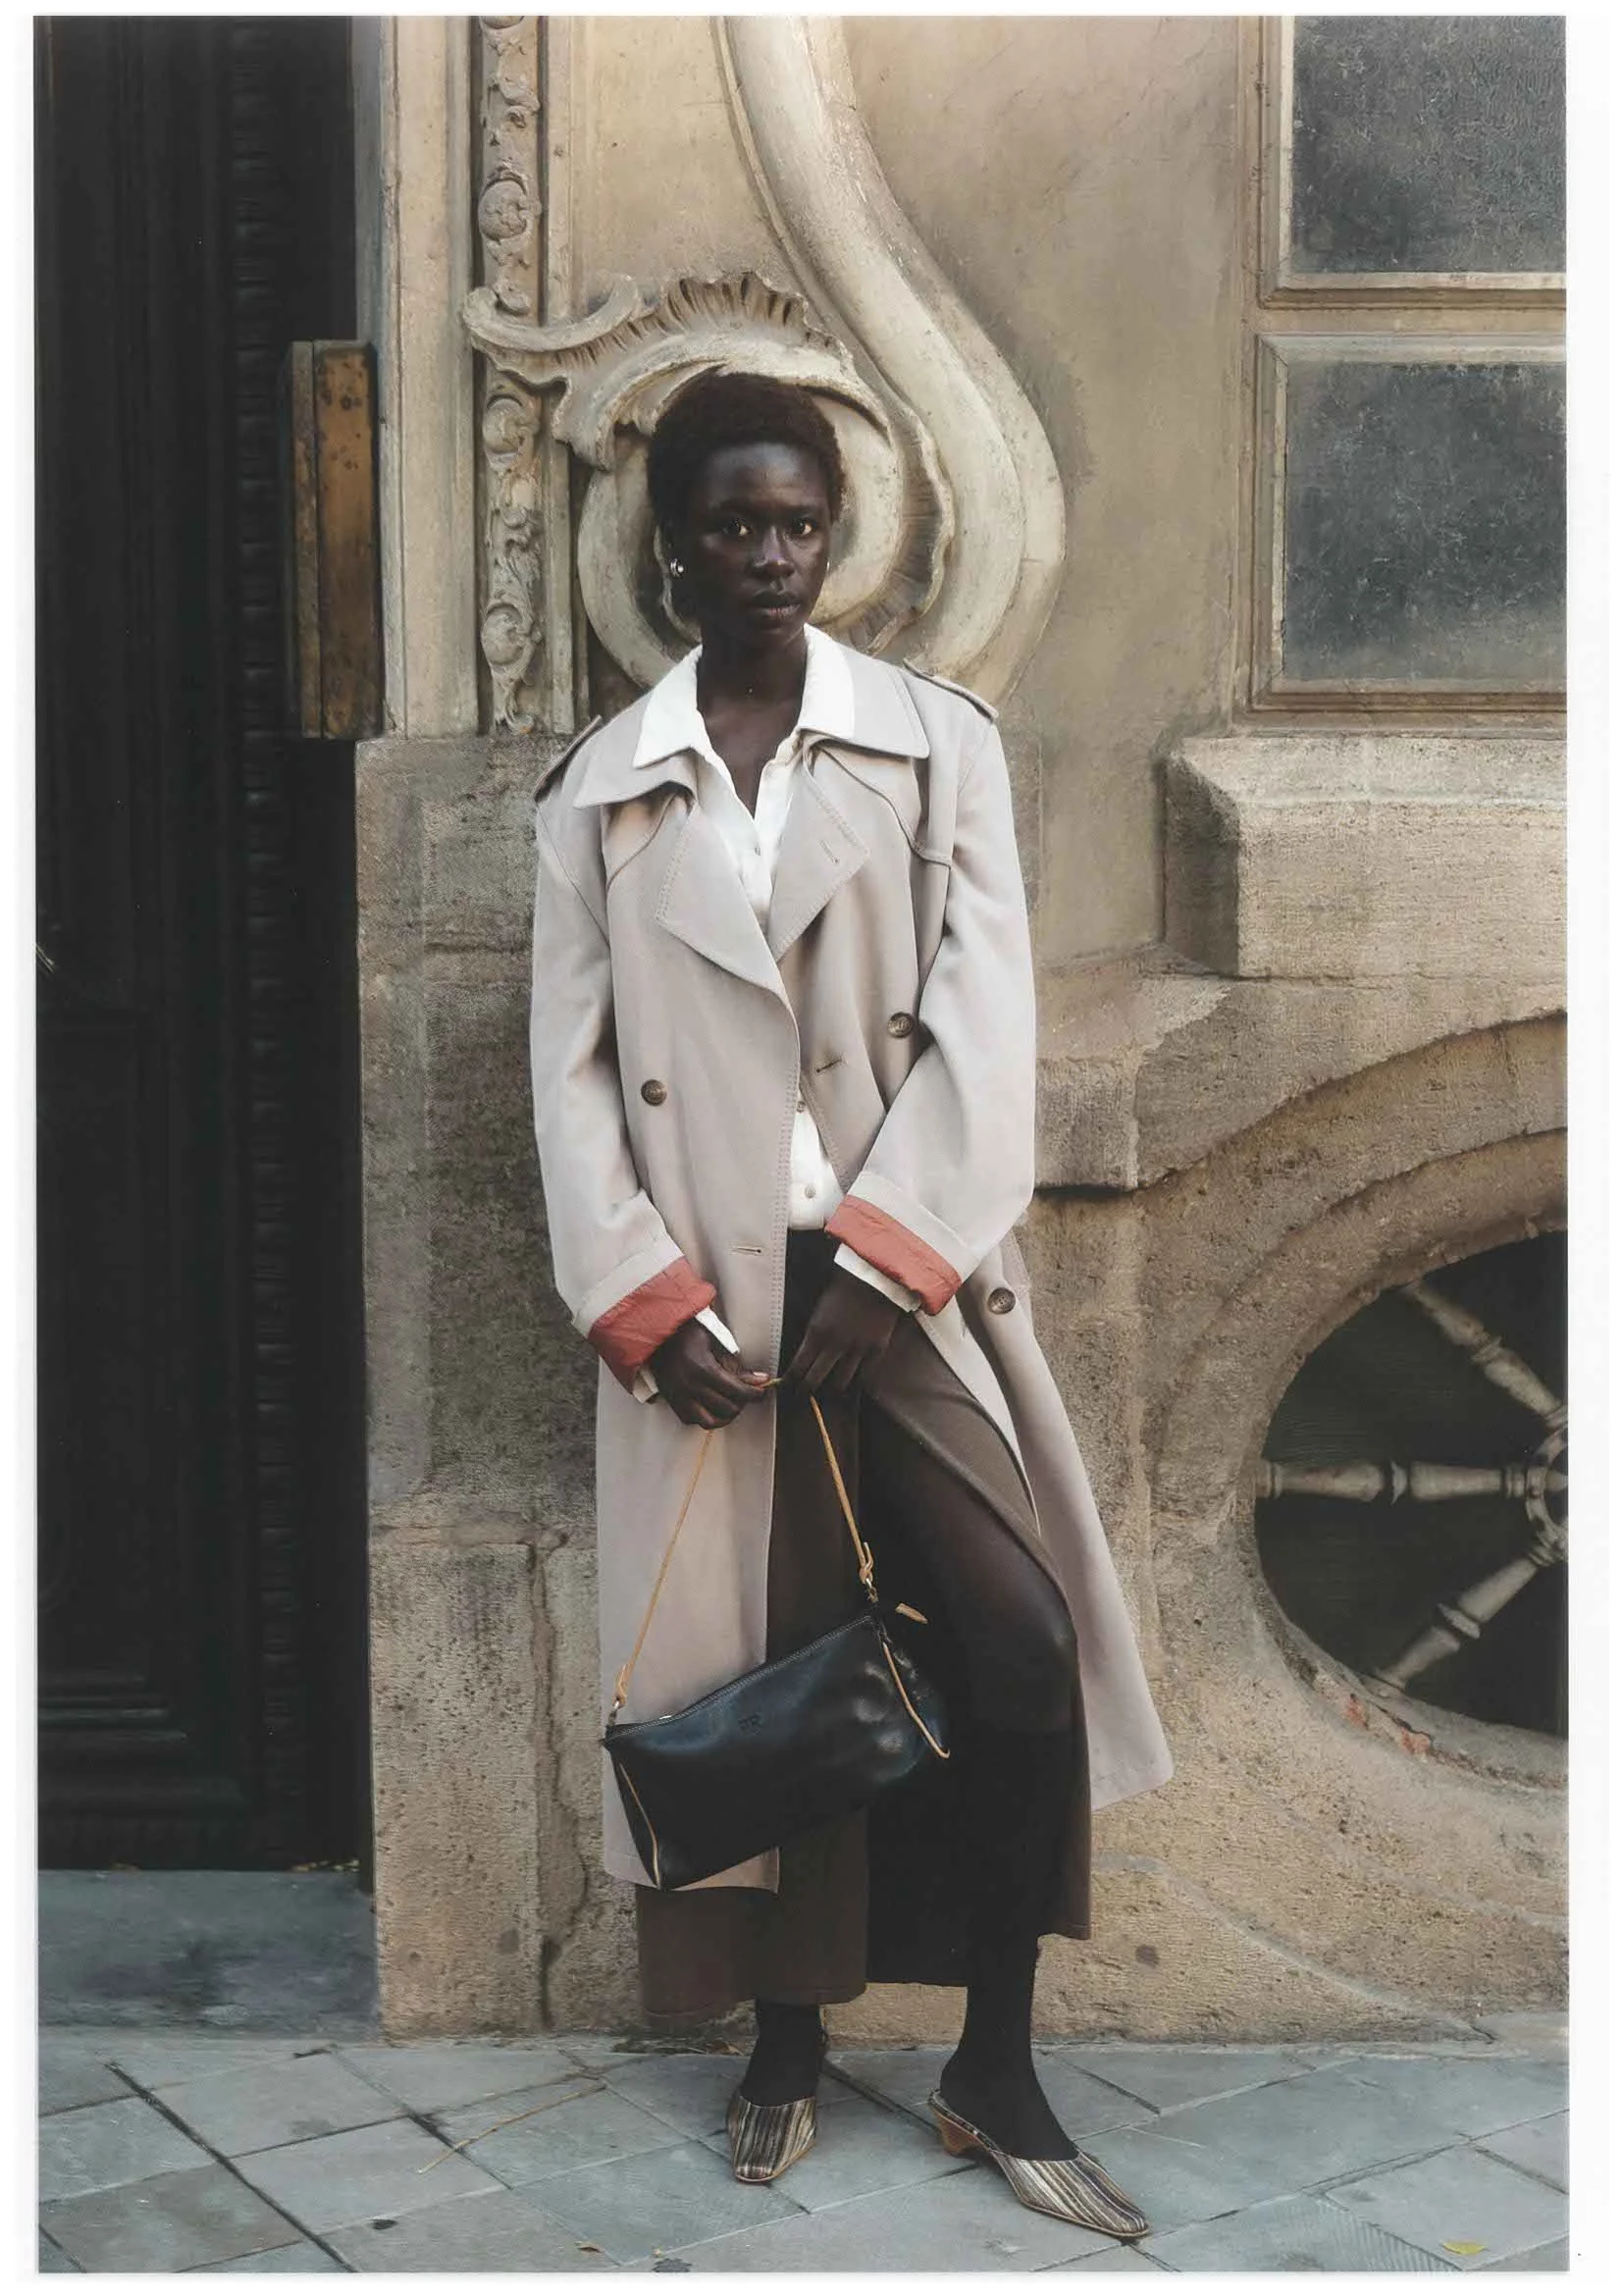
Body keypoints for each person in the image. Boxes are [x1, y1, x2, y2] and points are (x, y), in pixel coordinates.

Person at [528, 369, 1173, 2235]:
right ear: (673, 546)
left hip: (901, 1280)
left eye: (797, 521)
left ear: (836, 532)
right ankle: (787, 2043)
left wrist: (895, 1265)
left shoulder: (932, 742)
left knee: (1014, 1638)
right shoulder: (603, 786)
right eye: (733, 523)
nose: (770, 553)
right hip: (708, 1309)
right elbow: (566, 1077)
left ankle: (995, 2054)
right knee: (774, 1677)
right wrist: (638, 1295)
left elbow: (988, 1016)